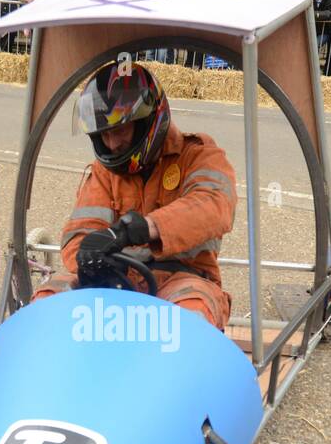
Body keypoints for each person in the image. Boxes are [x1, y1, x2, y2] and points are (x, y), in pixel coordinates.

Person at [32, 64, 237, 330]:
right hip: (116, 281)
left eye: (119, 130)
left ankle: (175, 370)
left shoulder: (197, 156)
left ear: (148, 122)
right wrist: (89, 258)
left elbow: (215, 206)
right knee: (47, 302)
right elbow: (80, 232)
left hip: (183, 279)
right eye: (104, 134)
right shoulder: (104, 173)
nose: (112, 143)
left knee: (188, 318)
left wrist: (143, 229)